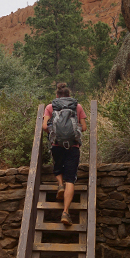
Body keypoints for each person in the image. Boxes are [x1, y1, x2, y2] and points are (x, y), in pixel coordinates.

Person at [42, 82, 87, 225]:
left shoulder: (50, 107)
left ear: (57, 95)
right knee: (71, 179)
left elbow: (44, 126)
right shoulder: (77, 107)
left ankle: (60, 185)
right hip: (73, 146)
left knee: (57, 168)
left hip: (57, 145)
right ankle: (66, 212)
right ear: (69, 96)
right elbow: (84, 127)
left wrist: (55, 132)